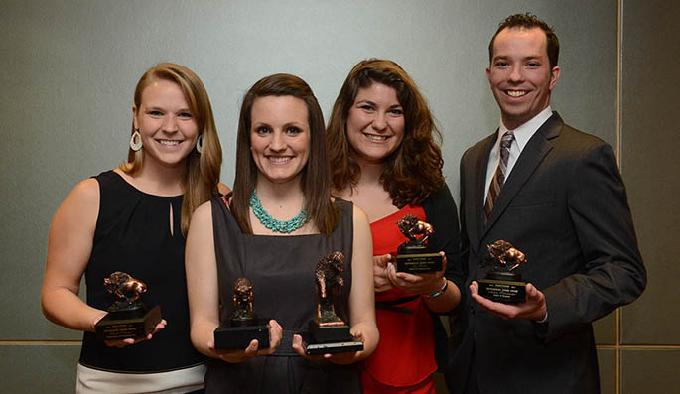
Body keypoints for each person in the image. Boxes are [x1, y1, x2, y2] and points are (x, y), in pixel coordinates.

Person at [448, 13, 646, 394]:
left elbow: (624, 271)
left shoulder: (583, 155)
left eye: (531, 64)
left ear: (553, 75)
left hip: (549, 376)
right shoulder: (474, 159)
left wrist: (544, 306)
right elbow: (471, 258)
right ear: (489, 73)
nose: (515, 77)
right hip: (475, 374)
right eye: (504, 63)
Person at [185, 73, 378, 393]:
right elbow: (202, 325)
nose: (277, 145)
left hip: (329, 383)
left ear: (313, 137)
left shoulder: (352, 220)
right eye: (264, 130)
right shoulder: (210, 218)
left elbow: (366, 325)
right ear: (247, 138)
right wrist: (224, 349)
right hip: (237, 383)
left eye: (292, 130)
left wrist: (350, 349)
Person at [41, 63, 227, 393]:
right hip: (110, 385)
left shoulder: (220, 199)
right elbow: (55, 294)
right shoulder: (92, 196)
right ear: (136, 117)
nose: (170, 127)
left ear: (201, 124)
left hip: (206, 383)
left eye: (185, 114)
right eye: (156, 112)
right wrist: (101, 323)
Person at [326, 59, 462, 393]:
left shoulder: (429, 190)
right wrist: (351, 283)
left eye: (395, 111)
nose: (380, 123)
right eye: (367, 107)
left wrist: (431, 285)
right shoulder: (310, 186)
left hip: (407, 364)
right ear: (345, 112)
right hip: (322, 360)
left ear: (408, 121)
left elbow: (456, 297)